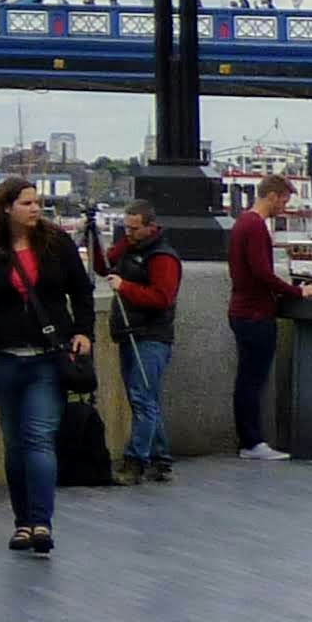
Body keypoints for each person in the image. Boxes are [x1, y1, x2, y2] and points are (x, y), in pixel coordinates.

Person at [0, 177, 98, 555]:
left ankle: (41, 522)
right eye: (26, 203)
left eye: (37, 202)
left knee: (38, 437)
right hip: (2, 359)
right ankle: (22, 522)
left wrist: (84, 331)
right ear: (6, 208)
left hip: (48, 358)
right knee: (15, 443)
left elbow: (82, 292)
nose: (35, 209)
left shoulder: (56, 244)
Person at [226, 172, 312, 461]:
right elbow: (262, 272)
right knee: (252, 380)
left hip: (242, 310)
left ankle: (250, 440)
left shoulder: (242, 223)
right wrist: (297, 291)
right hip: (254, 313)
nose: (284, 207)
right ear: (272, 196)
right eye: (283, 201)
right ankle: (252, 442)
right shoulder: (255, 227)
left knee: (247, 379)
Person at [103, 198, 183, 483]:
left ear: (151, 227)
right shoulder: (132, 249)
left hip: (150, 336)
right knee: (146, 398)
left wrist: (125, 286)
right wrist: (121, 246)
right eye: (126, 228)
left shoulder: (162, 258)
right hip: (131, 333)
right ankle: (160, 457)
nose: (129, 234)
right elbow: (106, 265)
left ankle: (135, 461)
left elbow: (162, 298)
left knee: (142, 399)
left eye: (134, 229)